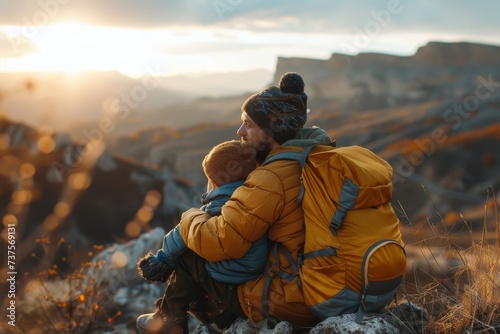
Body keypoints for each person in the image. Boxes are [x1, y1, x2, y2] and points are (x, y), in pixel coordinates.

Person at [137, 72, 332, 333]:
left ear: (271, 129)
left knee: (189, 253)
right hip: (323, 286)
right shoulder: (315, 156)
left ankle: (166, 322)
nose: (240, 131)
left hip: (291, 299)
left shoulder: (272, 178)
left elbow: (221, 243)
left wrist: (190, 218)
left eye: (248, 124)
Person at [136, 140, 269, 333]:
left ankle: (168, 320)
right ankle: (175, 316)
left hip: (236, 283)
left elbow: (188, 234)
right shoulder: (251, 198)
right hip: (249, 276)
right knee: (196, 256)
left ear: (215, 182)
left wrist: (163, 259)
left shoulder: (223, 205)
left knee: (188, 255)